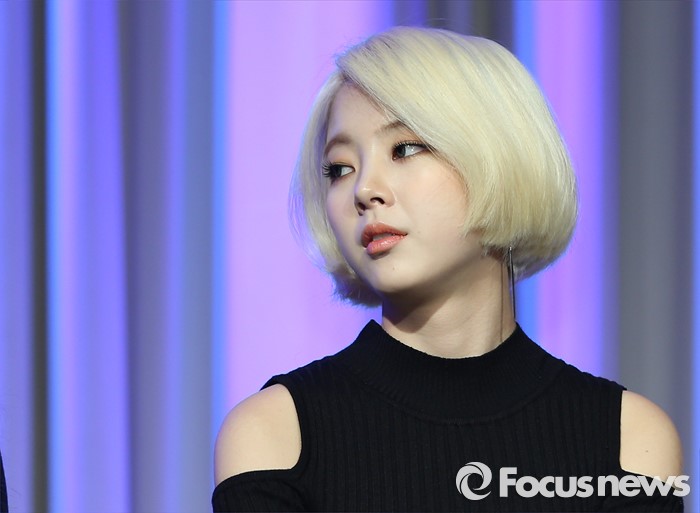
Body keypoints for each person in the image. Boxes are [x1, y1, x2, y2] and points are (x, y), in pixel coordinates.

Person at [212, 27, 684, 512]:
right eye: (339, 168)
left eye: (405, 148)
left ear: (501, 156)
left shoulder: (629, 441)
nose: (364, 190)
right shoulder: (276, 435)